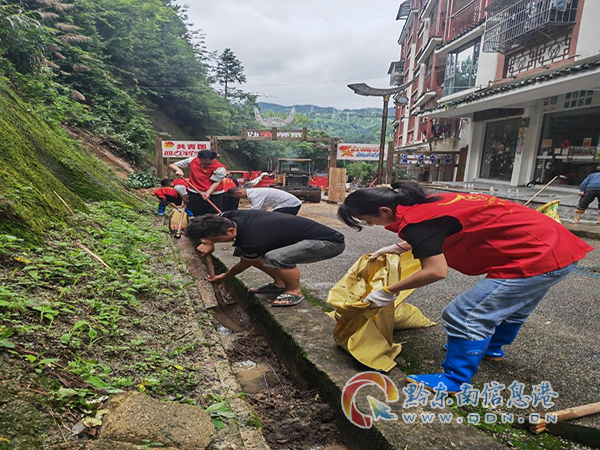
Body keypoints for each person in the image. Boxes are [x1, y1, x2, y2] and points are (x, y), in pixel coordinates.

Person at [337, 181, 593, 393]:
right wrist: (400, 246)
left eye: (368, 221)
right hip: (557, 246)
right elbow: (442, 228)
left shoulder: (416, 221)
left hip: (536, 256)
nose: (373, 226)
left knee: (463, 314)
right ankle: (490, 347)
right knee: (511, 306)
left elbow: (436, 271)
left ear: (384, 210)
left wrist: (388, 292)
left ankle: (454, 380)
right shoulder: (425, 200)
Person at [186, 211, 345, 306]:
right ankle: (280, 283)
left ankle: (294, 291)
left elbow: (244, 264)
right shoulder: (228, 217)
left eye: (217, 240)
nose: (217, 243)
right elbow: (212, 218)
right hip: (304, 238)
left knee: (276, 257)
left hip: (329, 243)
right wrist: (208, 242)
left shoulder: (253, 239)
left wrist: (224, 276)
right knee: (250, 253)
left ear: (230, 231)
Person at [169, 150, 227, 216]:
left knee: (213, 215)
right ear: (199, 158)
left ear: (213, 159)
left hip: (214, 194)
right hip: (195, 192)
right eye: (204, 160)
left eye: (208, 161)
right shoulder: (193, 160)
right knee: (197, 213)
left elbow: (216, 182)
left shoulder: (220, 168)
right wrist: (178, 170)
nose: (205, 163)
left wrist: (208, 193)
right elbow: (172, 165)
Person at [226, 187, 302, 215]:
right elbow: (262, 209)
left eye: (237, 197)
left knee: (275, 220)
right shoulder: (254, 192)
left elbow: (254, 211)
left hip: (290, 204)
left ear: (239, 193)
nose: (240, 198)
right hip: (292, 203)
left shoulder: (255, 195)